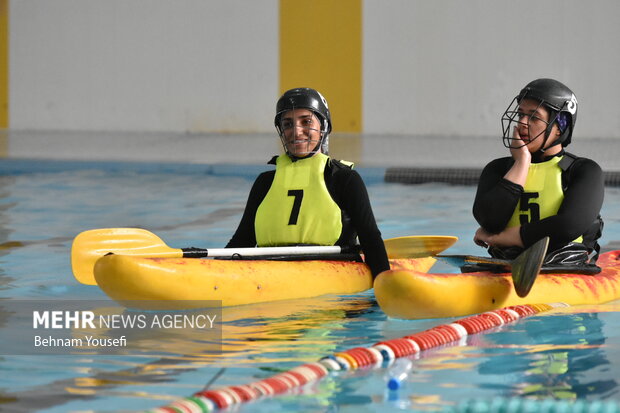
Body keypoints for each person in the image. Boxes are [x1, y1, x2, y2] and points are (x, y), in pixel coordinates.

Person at [226, 87, 390, 277]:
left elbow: (370, 240)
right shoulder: (264, 182)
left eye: (306, 122)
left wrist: (385, 285)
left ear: (323, 128)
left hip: (334, 280)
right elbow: (242, 242)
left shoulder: (344, 179)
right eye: (287, 124)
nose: (296, 131)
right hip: (271, 275)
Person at [472, 78, 604, 266]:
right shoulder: (498, 169)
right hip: (504, 263)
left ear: (560, 127)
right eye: (521, 114)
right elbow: (489, 220)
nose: (522, 123)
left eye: (534, 117)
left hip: (565, 266)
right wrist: (522, 163)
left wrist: (502, 237)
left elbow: (568, 226)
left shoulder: (584, 171)